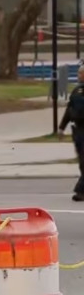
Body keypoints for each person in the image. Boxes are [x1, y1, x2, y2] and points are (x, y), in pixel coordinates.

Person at [58, 65, 84, 202]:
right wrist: (62, 127)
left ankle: (80, 191)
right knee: (82, 162)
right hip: (79, 131)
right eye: (79, 73)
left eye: (81, 73)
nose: (79, 75)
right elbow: (69, 110)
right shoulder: (76, 91)